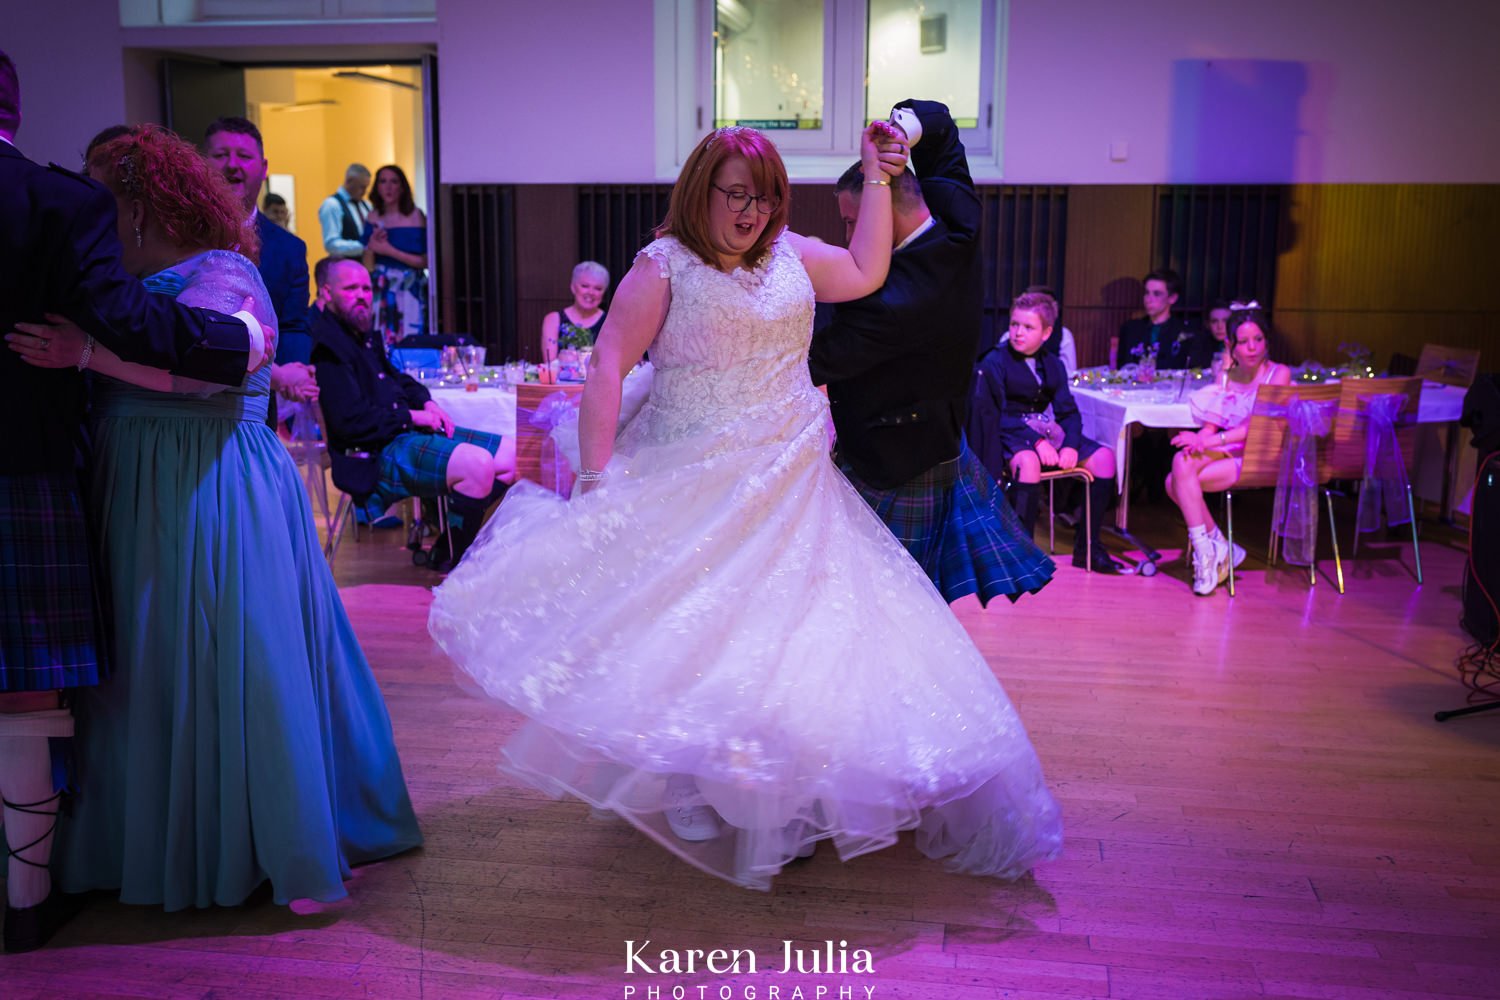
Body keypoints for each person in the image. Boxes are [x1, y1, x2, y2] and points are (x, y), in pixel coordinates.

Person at [428, 123, 1062, 891]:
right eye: (737, 195)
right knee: (692, 632)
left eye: (765, 198)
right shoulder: (661, 268)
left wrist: (878, 173)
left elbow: (865, 270)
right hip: (690, 477)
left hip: (792, 477)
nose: (752, 212)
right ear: (701, 189)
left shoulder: (791, 253)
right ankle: (693, 772)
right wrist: (596, 483)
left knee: (794, 634)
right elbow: (606, 367)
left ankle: (775, 782)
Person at [11, 125, 422, 911]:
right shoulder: (106, 269)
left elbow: (209, 379)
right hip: (130, 472)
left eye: (103, 184)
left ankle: (254, 838)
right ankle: (137, 844)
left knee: (227, 654)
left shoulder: (225, 268)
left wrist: (86, 357)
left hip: (208, 477)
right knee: (147, 663)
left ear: (142, 198)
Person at [0, 52, 258, 951]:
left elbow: (218, 345)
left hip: (161, 467)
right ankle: (27, 894)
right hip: (55, 463)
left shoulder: (204, 261)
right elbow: (135, 324)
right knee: (35, 692)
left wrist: (92, 359)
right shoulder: (52, 207)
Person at [809, 100, 1053, 606]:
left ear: (887, 206)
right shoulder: (956, 220)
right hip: (940, 441)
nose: (847, 237)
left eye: (852, 220)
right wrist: (898, 132)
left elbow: (813, 362)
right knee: (910, 601)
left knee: (881, 603)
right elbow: (940, 124)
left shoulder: (889, 299)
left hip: (891, 465)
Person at [311, 258, 516, 566]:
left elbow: (399, 378)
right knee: (478, 466)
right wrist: (412, 417)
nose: (362, 295)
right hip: (372, 453)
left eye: (366, 288)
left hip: (402, 434)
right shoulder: (326, 346)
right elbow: (350, 422)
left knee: (513, 455)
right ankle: (456, 564)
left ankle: (447, 546)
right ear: (326, 293)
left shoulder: (360, 334)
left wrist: (426, 403)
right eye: (351, 288)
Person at [974, 292, 1122, 573]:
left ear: (1047, 332)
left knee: (1104, 459)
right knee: (1028, 463)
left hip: (1043, 431)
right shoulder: (994, 362)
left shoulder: (1053, 363)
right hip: (1008, 433)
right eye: (1015, 324)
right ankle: (1020, 552)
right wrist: (1036, 441)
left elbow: (1068, 412)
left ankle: (1088, 549)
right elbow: (995, 414)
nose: (1017, 333)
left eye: (1028, 327)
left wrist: (1071, 446)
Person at [1165, 304, 1292, 596]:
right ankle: (1209, 551)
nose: (1252, 348)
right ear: (1229, 345)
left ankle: (1215, 551)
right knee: (1180, 463)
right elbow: (1212, 425)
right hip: (1232, 449)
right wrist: (1197, 438)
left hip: (1262, 455)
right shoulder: (1228, 375)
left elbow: (1253, 429)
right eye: (1244, 342)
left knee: (1175, 483)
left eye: (1258, 340)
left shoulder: (1278, 374)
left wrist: (1205, 443)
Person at [202, 116, 316, 401]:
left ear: (263, 168)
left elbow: (293, 326)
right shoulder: (178, 234)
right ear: (203, 164)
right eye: (220, 155)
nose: (232, 165)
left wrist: (294, 373)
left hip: (262, 400)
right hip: (190, 393)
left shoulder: (290, 249)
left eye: (244, 156)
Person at [361, 164, 428, 343]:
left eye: (394, 182)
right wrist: (372, 245)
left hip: (409, 286)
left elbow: (425, 261)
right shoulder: (373, 217)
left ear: (402, 186)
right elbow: (368, 266)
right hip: (381, 287)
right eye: (383, 182)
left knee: (410, 336)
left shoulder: (416, 216)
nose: (388, 187)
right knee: (379, 338)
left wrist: (389, 251)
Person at [1117, 269, 1216, 370]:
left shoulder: (1188, 333)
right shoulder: (1130, 329)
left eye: (1157, 294)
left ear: (1172, 298)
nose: (1148, 299)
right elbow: (1122, 368)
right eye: (1147, 293)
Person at [541, 261, 609, 364]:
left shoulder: (611, 321)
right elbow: (550, 364)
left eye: (598, 288)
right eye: (585, 286)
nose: (591, 292)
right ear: (573, 287)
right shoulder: (554, 319)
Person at [318, 162, 371, 260]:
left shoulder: (366, 205)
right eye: (362, 187)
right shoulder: (332, 205)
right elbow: (331, 244)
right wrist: (364, 247)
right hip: (345, 269)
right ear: (349, 181)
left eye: (366, 187)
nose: (364, 192)